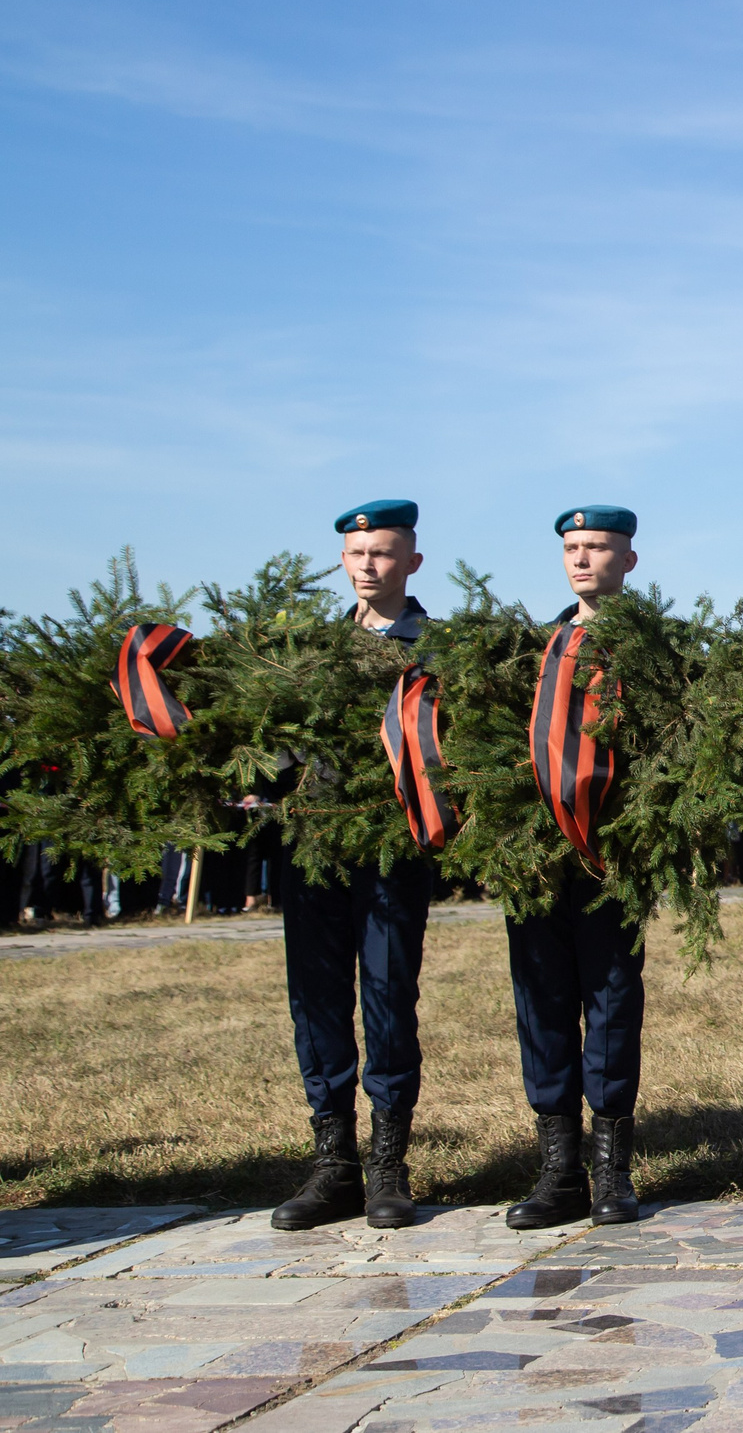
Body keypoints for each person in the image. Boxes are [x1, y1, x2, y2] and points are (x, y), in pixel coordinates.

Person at [272, 500, 438, 1233]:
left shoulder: (438, 651)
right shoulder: (312, 652)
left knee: (387, 994)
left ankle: (387, 1164)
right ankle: (332, 1162)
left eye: (382, 552)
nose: (367, 565)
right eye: (356, 553)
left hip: (392, 853)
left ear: (411, 561)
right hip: (313, 850)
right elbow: (279, 744)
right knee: (315, 1001)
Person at [502, 506, 650, 1232]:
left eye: (598, 547)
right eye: (572, 547)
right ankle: (557, 1170)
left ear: (628, 559)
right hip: (538, 861)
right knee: (543, 1005)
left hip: (611, 858)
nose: (582, 559)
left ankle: (610, 1170)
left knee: (614, 1003)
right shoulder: (539, 647)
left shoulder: (653, 651)